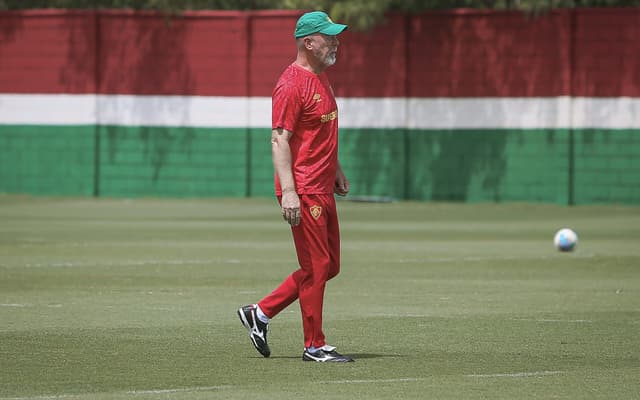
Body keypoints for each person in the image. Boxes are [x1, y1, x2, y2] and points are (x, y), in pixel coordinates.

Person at [237, 11, 353, 363]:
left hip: (321, 184)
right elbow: (279, 140)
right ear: (308, 42)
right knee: (317, 265)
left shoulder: (321, 77)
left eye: (335, 36)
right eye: (328, 37)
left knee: (329, 266)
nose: (335, 42)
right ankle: (314, 346)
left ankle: (260, 313)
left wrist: (336, 168)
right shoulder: (291, 84)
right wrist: (289, 192)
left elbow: (319, 131)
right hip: (303, 188)